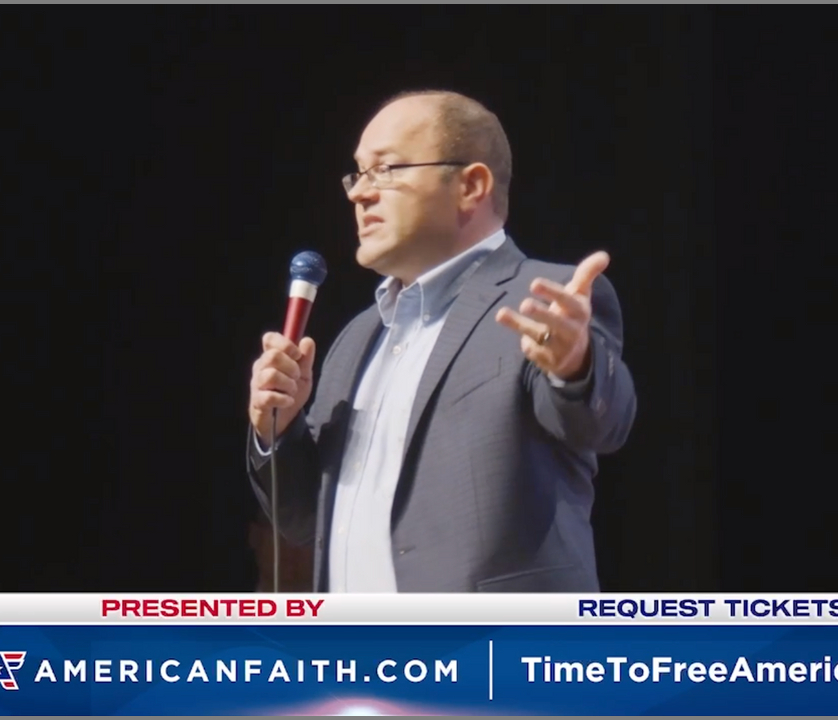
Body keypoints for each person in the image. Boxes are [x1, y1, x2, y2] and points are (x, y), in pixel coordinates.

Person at [245, 89, 637, 593]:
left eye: (385, 169)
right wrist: (276, 430)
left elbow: (602, 423)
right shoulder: (355, 339)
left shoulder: (545, 301)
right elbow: (302, 520)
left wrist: (575, 366)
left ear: (471, 185)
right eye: (357, 173)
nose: (358, 194)